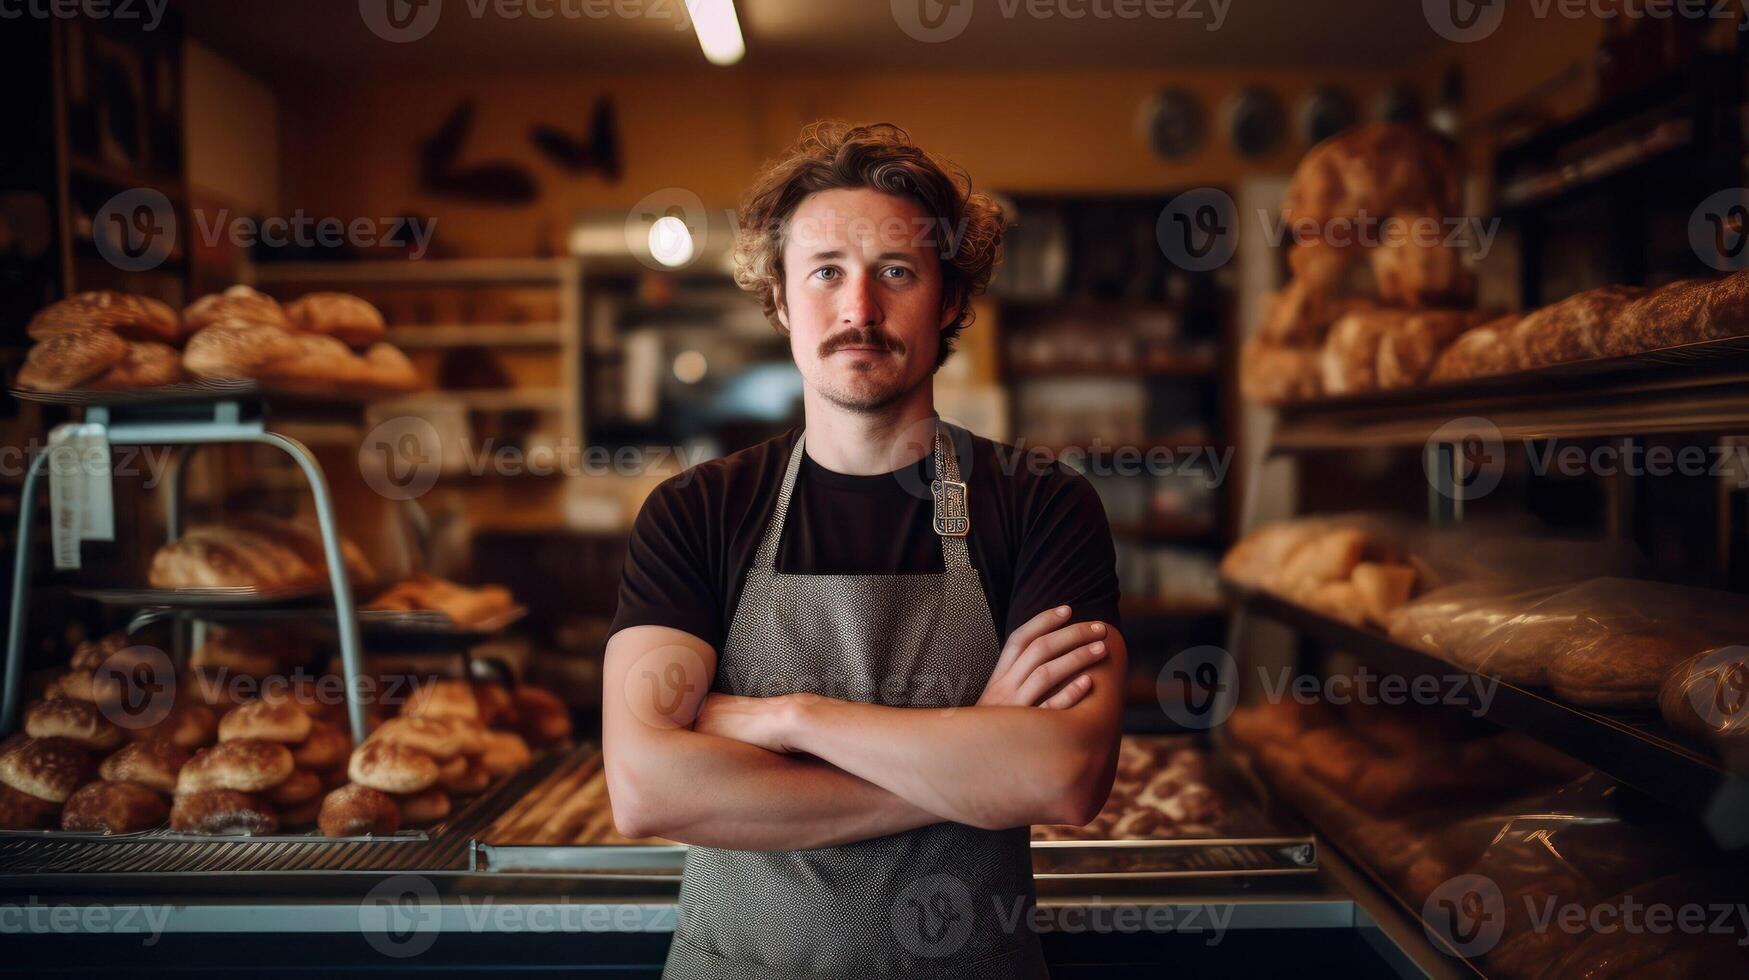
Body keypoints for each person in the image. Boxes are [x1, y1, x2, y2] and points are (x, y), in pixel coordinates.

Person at [604, 121, 1125, 979]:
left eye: (895, 272)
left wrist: (787, 718)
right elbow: (648, 790)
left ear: (949, 298)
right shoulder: (696, 512)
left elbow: (1062, 775)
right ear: (778, 298)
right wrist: (973, 756)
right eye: (825, 273)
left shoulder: (1041, 505)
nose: (859, 310)